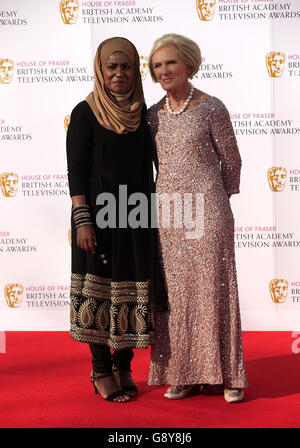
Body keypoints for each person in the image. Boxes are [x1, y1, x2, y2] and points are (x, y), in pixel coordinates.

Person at [147, 34, 248, 403]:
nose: (164, 71)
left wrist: (216, 199)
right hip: (169, 218)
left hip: (208, 213)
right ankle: (183, 372)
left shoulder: (212, 107)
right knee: (176, 297)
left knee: (215, 292)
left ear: (189, 64)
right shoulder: (152, 114)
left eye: (170, 63)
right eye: (157, 65)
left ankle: (229, 375)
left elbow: (232, 161)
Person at [66, 37, 167, 403]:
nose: (119, 74)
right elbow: (76, 170)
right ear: (100, 70)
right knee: (100, 289)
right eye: (112, 67)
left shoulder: (143, 114)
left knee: (134, 285)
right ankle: (101, 369)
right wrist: (83, 219)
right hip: (98, 215)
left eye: (126, 67)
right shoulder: (85, 112)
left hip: (137, 211)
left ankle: (123, 365)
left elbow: (155, 165)